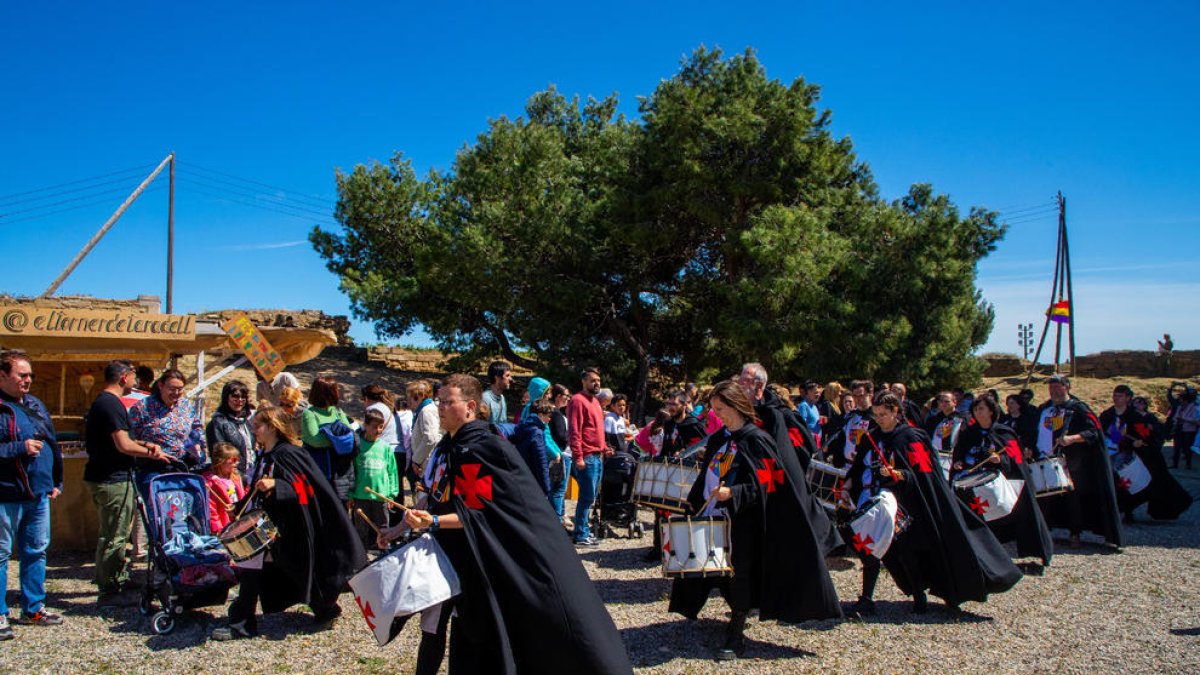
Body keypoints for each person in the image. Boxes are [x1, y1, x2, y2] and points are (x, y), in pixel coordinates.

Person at [380, 374, 632, 673]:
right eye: (439, 402)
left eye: (448, 402)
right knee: (438, 627)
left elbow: (479, 512)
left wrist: (433, 520)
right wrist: (398, 528)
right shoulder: (449, 447)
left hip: (485, 560)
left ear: (470, 406)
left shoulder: (480, 448)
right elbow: (435, 495)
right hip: (453, 553)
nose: (440, 408)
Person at [669, 380, 841, 660]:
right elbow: (707, 475)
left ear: (737, 406)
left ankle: (736, 633)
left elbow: (765, 485)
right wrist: (695, 498)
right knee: (713, 569)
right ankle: (736, 610)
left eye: (721, 409)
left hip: (744, 523)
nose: (717, 415)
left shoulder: (756, 440)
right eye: (713, 409)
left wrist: (732, 493)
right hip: (715, 517)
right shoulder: (719, 438)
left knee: (740, 574)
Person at [846, 391, 1022, 617]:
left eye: (883, 414)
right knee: (870, 546)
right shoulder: (872, 436)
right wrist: (849, 482)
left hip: (908, 503)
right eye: (876, 414)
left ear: (895, 412)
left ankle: (919, 594)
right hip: (876, 501)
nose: (878, 419)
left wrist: (900, 474)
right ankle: (866, 599)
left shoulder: (911, 437)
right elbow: (859, 465)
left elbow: (924, 474)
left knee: (909, 552)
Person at [212, 405, 366, 640]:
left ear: (273, 427)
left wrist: (278, 486)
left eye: (258, 425)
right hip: (268, 524)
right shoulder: (266, 455)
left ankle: (325, 609)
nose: (254, 429)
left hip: (293, 526)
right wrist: (239, 506)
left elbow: (309, 487)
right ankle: (243, 621)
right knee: (252, 567)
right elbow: (257, 487)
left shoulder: (289, 454)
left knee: (299, 568)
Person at [83, 360, 164, 607]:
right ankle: (109, 589)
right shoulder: (110, 404)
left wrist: (144, 444)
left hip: (111, 476)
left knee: (117, 533)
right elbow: (123, 444)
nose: (135, 382)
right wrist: (153, 453)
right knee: (115, 535)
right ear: (124, 377)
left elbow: (124, 441)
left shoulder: (106, 402)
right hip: (111, 479)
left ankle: (118, 577)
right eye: (133, 377)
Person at [738, 363, 841, 556]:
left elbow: (800, 451)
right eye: (739, 380)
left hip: (781, 486)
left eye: (745, 381)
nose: (739, 385)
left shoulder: (779, 415)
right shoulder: (740, 414)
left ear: (759, 386)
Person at [0, 350, 64, 637]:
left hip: (38, 492)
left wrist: (56, 479)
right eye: (21, 375)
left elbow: (51, 441)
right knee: (1, 554)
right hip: (6, 493)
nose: (27, 380)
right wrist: (19, 448)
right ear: (2, 375)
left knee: (36, 551)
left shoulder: (35, 404)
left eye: (30, 376)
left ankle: (33, 608)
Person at [952, 395, 1053, 570]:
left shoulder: (1004, 432)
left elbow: (1015, 459)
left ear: (991, 410)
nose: (978, 412)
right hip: (976, 485)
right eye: (975, 409)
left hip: (1005, 483)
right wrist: (958, 463)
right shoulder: (968, 433)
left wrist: (1001, 460)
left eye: (981, 408)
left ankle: (1038, 554)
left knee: (1022, 514)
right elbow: (959, 454)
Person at [1032, 375, 1123, 549]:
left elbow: (1094, 432)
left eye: (1057, 387)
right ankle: (1044, 532)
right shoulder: (1045, 409)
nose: (1053, 391)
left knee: (1072, 499)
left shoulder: (1079, 409)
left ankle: (1075, 533)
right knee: (1045, 498)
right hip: (1047, 460)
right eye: (1051, 388)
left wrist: (1073, 438)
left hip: (1074, 462)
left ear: (1067, 387)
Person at [1099, 385, 1193, 522]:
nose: (1116, 398)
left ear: (1127, 398)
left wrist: (1140, 441)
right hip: (1113, 456)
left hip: (1134, 457)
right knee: (1117, 485)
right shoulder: (1107, 415)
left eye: (1120, 396)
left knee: (1138, 483)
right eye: (1115, 395)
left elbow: (1145, 435)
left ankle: (1128, 511)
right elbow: (1108, 435)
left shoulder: (1135, 416)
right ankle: (1118, 511)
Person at [129, 369, 206, 470]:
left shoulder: (185, 406)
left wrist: (197, 445)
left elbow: (197, 428)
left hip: (182, 465)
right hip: (152, 467)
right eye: (172, 388)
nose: (176, 393)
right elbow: (130, 439)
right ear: (161, 385)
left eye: (180, 389)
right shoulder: (142, 407)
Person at [348, 408, 400, 550]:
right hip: (360, 495)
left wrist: (391, 495)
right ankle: (362, 557)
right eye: (374, 427)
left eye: (381, 426)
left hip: (381, 496)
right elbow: (352, 471)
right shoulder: (358, 446)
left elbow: (392, 472)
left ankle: (383, 553)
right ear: (365, 425)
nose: (378, 430)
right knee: (361, 529)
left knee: (383, 529)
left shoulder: (385, 448)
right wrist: (351, 494)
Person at [300, 376, 357, 502]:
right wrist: (337, 440)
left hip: (340, 471)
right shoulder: (310, 414)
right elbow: (315, 440)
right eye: (335, 390)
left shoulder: (337, 411)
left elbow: (350, 435)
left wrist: (330, 437)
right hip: (319, 470)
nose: (338, 393)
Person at [567, 368, 607, 546]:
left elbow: (596, 430)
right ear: (584, 381)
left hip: (598, 456)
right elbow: (575, 431)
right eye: (593, 380)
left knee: (590, 497)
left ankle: (583, 530)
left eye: (598, 380)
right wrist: (578, 457)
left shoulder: (596, 402)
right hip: (587, 456)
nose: (596, 383)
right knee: (586, 496)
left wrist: (605, 448)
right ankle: (580, 534)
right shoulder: (577, 400)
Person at [205, 381, 255, 482]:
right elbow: (220, 456)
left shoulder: (245, 421)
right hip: (230, 477)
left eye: (243, 397)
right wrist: (237, 476)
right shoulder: (218, 423)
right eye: (235, 396)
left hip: (250, 473)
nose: (240, 400)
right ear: (226, 397)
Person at [824, 379, 875, 468]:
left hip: (866, 468)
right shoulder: (849, 417)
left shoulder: (876, 418)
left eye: (861, 395)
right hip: (847, 466)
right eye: (855, 396)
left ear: (870, 395)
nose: (858, 399)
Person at [510, 398, 554, 495]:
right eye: (549, 416)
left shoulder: (522, 427)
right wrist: (546, 487)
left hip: (522, 475)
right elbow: (541, 461)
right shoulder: (537, 433)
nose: (550, 419)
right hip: (534, 480)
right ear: (540, 415)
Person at [407, 380, 442, 498]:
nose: (408, 401)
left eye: (411, 397)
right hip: (426, 462)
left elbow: (431, 438)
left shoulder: (427, 411)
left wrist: (416, 460)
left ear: (420, 396)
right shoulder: (423, 411)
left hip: (428, 463)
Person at [203, 442, 246, 534]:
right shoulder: (212, 483)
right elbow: (212, 510)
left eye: (238, 459)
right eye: (234, 460)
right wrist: (218, 530)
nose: (237, 463)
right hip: (224, 525)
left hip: (239, 521)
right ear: (220, 462)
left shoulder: (236, 478)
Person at [925, 391, 968, 479]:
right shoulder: (934, 420)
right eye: (941, 401)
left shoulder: (961, 418)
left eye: (947, 401)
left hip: (952, 458)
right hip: (935, 457)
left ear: (954, 402)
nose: (943, 404)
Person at [660, 389, 706, 457]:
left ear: (684, 405)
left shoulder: (693, 424)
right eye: (669, 404)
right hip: (668, 465)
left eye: (674, 404)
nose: (670, 407)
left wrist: (687, 453)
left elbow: (707, 449)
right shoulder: (668, 423)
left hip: (688, 466)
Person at [1166, 383, 1197, 470]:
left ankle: (1188, 464)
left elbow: (1194, 419)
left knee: (1187, 447)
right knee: (1177, 447)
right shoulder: (1179, 407)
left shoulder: (1193, 407)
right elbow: (1175, 417)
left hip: (1189, 430)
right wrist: (1177, 419)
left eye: (1181, 399)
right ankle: (1175, 464)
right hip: (1179, 429)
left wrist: (1183, 418)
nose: (1180, 400)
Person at [481, 361, 512, 426]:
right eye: (507, 375)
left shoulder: (502, 397)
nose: (510, 379)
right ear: (497, 378)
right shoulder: (485, 399)